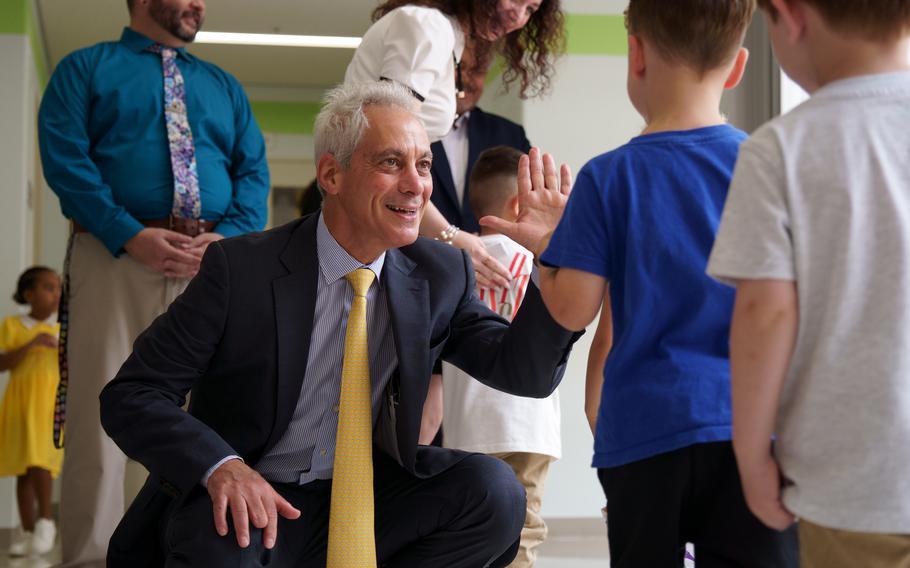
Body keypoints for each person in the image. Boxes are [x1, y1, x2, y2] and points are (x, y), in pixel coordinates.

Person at [98, 81, 579, 568]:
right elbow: (132, 394)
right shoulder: (240, 270)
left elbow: (525, 374)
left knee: (493, 493)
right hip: (256, 501)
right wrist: (221, 468)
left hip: (369, 499)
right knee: (223, 539)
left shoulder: (438, 274)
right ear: (331, 174)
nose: (417, 185)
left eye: (424, 164)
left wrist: (552, 263)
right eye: (392, 163)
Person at [482, 1, 799, 565]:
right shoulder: (768, 163)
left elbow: (573, 311)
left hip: (644, 435)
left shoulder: (609, 176)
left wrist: (551, 252)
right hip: (748, 426)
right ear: (738, 68)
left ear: (636, 55)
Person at [37, 0, 270, 564]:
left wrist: (231, 237)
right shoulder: (84, 68)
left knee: (197, 418)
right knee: (102, 414)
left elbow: (253, 171)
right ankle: (90, 558)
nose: (200, 5)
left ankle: (176, 554)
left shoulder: (223, 86)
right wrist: (127, 232)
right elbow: (65, 159)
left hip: (209, 267)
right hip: (114, 257)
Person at [706, 1, 910, 566]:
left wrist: (752, 459)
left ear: (791, 17)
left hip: (855, 489)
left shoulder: (780, 148)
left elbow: (764, 316)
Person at [345, 0, 564, 289]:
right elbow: (389, 147)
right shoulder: (427, 26)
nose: (518, 15)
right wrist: (450, 237)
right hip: (371, 233)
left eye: (531, 9)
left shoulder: (446, 39)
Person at [439, 146, 559, 568]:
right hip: (530, 425)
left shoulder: (456, 260)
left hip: (468, 425)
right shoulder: (541, 259)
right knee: (523, 534)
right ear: (518, 204)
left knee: (471, 533)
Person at [0, 267, 63, 557]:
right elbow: (3, 363)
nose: (56, 293)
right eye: (48, 287)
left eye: (58, 287)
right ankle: (26, 532)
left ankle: (47, 522)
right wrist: (32, 343)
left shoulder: (62, 328)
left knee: (41, 461)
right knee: (22, 469)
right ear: (29, 294)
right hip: (19, 403)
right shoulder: (13, 326)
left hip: (48, 404)